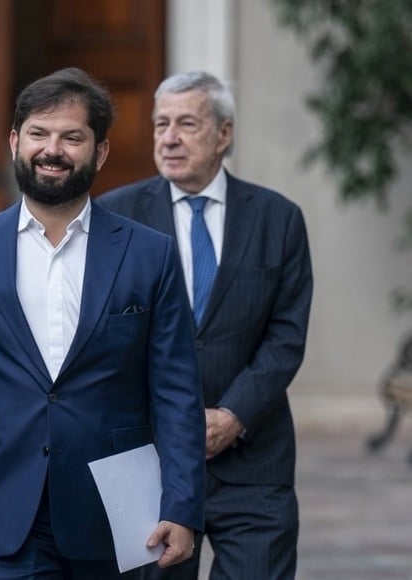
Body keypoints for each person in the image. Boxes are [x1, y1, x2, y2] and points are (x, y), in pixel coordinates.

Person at [0, 67, 206, 579]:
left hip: (119, 510)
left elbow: (177, 393)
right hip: (5, 505)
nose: (52, 149)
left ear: (99, 152)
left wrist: (182, 506)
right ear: (14, 142)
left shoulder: (149, 254)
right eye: (38, 134)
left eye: (72, 137)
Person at [97, 71, 313, 580]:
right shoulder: (113, 218)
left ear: (223, 134)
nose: (168, 138)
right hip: (148, 462)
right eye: (161, 124)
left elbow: (286, 336)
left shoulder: (277, 218)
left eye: (187, 124)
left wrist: (234, 414)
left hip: (252, 460)